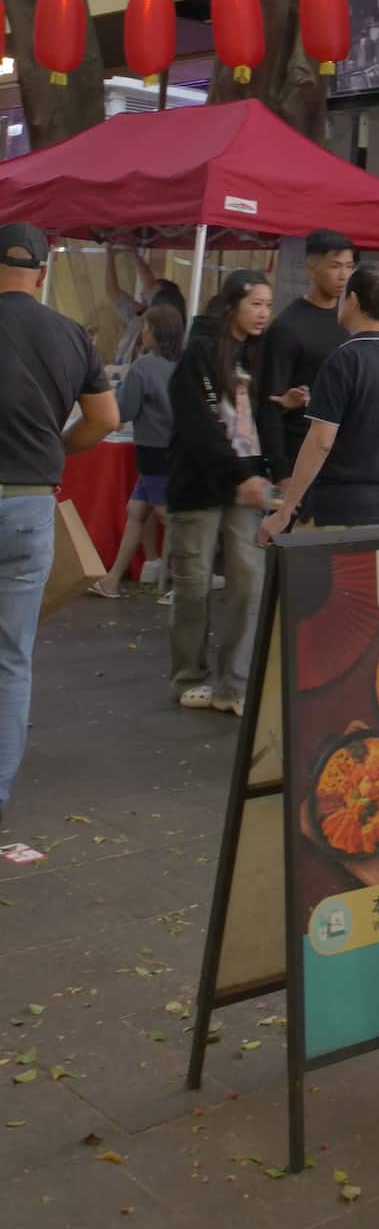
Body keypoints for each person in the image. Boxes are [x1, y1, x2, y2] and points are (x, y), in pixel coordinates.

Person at [0, 223, 119, 830]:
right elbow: (104, 417)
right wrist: (58, 447)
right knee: (11, 657)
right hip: (29, 507)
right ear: (43, 275)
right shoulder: (71, 335)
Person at [167, 270, 274, 719]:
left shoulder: (259, 354)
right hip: (200, 485)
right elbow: (201, 426)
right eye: (256, 304)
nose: (264, 314)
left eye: (269, 305)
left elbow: (255, 420)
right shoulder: (200, 353)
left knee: (248, 582)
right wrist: (238, 474)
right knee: (193, 586)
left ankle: (233, 682)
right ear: (231, 305)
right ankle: (189, 676)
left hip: (246, 485)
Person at [259, 263, 379, 537]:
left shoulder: (344, 360)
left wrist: (283, 512)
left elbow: (321, 441)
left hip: (340, 512)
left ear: (352, 299)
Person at [89, 302, 184, 600]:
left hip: (153, 452)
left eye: (145, 327)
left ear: (156, 332)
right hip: (174, 451)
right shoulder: (184, 363)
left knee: (168, 516)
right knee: (136, 511)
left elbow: (125, 409)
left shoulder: (144, 366)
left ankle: (187, 582)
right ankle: (112, 580)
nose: (142, 332)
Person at [258, 230, 355, 483]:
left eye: (348, 266)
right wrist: (281, 472)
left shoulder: (351, 322)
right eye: (335, 266)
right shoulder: (288, 327)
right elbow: (270, 403)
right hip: (298, 456)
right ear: (311, 268)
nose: (343, 276)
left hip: (344, 459)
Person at [106, 246, 186, 363]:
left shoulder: (170, 330)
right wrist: (110, 256)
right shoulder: (138, 316)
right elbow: (112, 291)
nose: (143, 300)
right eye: (143, 296)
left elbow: (151, 288)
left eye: (148, 298)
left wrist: (135, 254)